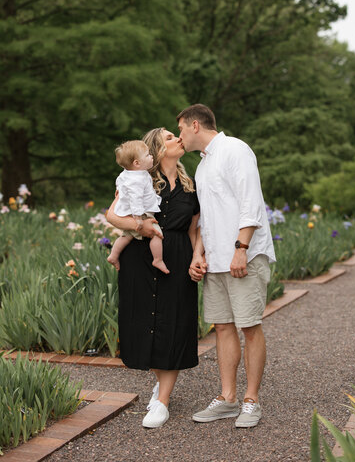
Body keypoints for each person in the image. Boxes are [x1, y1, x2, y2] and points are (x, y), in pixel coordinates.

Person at [177, 103, 276, 428]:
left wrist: (241, 248)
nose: (179, 135)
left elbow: (251, 202)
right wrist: (198, 254)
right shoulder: (203, 166)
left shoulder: (235, 149)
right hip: (216, 260)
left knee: (249, 325)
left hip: (242, 255)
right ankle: (228, 398)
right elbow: (206, 218)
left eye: (180, 128)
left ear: (194, 125)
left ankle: (251, 401)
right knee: (222, 326)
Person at [106, 128, 200, 429]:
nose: (178, 139)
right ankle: (161, 383)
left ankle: (163, 400)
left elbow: (195, 228)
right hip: (139, 258)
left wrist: (198, 256)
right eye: (171, 138)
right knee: (146, 322)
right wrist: (141, 226)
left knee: (174, 322)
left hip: (177, 257)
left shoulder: (190, 185)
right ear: (158, 150)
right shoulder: (140, 180)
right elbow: (112, 215)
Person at [107, 139, 169, 275]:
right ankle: (158, 259)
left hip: (127, 212)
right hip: (141, 214)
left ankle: (114, 255)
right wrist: (138, 218)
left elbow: (120, 183)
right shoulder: (137, 179)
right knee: (156, 235)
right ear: (137, 163)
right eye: (147, 155)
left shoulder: (127, 174)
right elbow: (135, 199)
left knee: (126, 236)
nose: (151, 156)